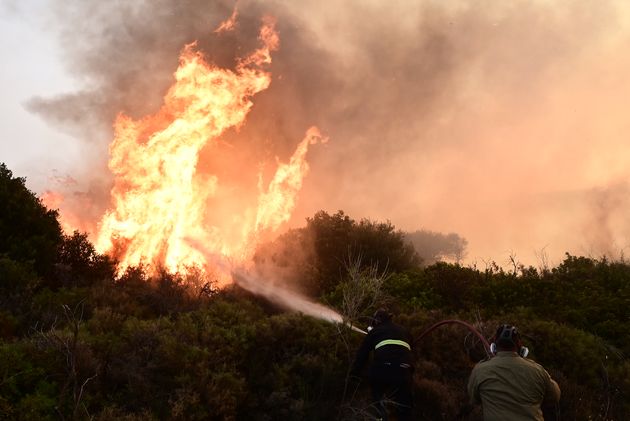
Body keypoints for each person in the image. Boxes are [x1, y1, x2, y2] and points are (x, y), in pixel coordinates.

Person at [468, 324, 561, 421]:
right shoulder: (537, 370)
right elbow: (555, 396)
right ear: (520, 346)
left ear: (494, 346)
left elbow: (474, 399)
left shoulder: (479, 370)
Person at [350, 309, 414, 421]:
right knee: (404, 407)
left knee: (378, 397)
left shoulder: (375, 332)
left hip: (383, 370)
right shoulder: (404, 330)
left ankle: (381, 416)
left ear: (376, 321)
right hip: (404, 371)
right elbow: (409, 349)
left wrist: (354, 374)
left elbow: (362, 355)